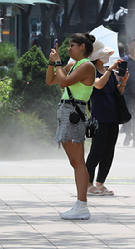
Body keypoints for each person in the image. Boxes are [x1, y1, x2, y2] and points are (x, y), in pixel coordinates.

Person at [46, 33, 96, 220]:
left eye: (71, 45)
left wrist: (59, 63)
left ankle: (82, 205)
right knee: (75, 162)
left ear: (82, 47)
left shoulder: (86, 66)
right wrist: (53, 63)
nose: (68, 48)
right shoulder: (74, 65)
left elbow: (63, 81)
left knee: (78, 162)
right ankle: (80, 205)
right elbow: (51, 80)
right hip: (67, 112)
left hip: (74, 113)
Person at [86, 41, 129, 196]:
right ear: (97, 56)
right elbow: (98, 85)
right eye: (104, 53)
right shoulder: (91, 70)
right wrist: (110, 71)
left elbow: (117, 92)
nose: (108, 56)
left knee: (109, 150)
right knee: (96, 150)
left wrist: (122, 82)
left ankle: (100, 182)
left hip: (113, 116)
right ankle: (88, 182)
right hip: (99, 116)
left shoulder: (108, 71)